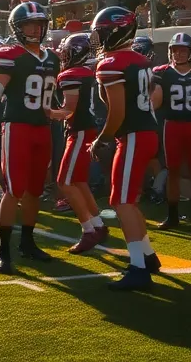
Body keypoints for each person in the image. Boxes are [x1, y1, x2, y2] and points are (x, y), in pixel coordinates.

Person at [0, 1, 59, 274]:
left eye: (39, 24)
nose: (35, 29)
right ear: (17, 27)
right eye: (29, 24)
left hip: (43, 127)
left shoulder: (52, 57)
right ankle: (3, 249)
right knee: (13, 189)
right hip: (17, 127)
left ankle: (27, 242)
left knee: (36, 190)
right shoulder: (9, 54)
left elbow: (51, 96)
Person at [91, 6, 161, 290]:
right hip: (145, 132)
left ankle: (138, 268)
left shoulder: (111, 64)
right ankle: (147, 255)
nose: (99, 37)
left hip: (132, 134)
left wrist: (102, 138)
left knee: (121, 201)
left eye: (103, 31)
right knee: (127, 198)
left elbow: (117, 113)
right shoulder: (140, 60)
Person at [48, 33, 108, 254]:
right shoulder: (88, 72)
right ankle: (99, 226)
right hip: (87, 129)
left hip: (81, 131)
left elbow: (68, 110)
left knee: (64, 181)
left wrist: (45, 112)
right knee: (79, 181)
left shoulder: (71, 75)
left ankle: (88, 230)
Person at [153, 33, 191, 231]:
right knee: (173, 170)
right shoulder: (162, 72)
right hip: (172, 125)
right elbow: (156, 101)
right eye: (175, 50)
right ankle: (173, 214)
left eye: (183, 50)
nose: (179, 54)